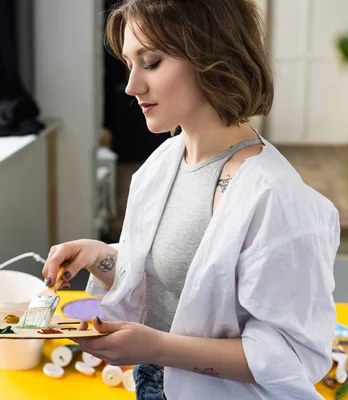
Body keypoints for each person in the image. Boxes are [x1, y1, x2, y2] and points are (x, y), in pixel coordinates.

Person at [41, 0, 340, 399]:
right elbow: (173, 289)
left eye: (150, 62)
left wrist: (155, 346)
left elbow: (288, 355)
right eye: (130, 64)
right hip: (153, 384)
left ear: (211, 56)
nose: (132, 86)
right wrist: (100, 257)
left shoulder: (275, 198)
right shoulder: (166, 161)